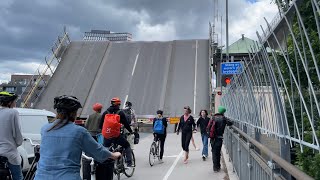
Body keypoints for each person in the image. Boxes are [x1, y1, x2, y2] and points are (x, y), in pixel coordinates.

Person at [34, 95, 121, 179]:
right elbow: (98, 151)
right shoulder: (79, 132)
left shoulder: (45, 129)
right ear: (73, 113)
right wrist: (113, 155)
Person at [100, 97, 134, 167]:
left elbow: (100, 125)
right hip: (116, 135)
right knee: (127, 145)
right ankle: (129, 163)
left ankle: (103, 162)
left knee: (106, 148)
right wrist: (131, 131)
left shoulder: (105, 112)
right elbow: (126, 124)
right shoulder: (120, 112)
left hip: (107, 135)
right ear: (118, 104)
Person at [0, 91, 23, 180]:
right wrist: (18, 143)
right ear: (9, 102)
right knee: (18, 177)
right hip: (9, 152)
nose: (15, 103)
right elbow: (18, 135)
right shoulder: (13, 113)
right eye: (14, 101)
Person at [210, 106, 233, 172]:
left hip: (212, 138)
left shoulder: (213, 117)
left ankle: (215, 167)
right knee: (218, 151)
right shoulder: (223, 118)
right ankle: (218, 166)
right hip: (219, 137)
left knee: (214, 152)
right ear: (223, 112)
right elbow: (230, 123)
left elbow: (208, 127)